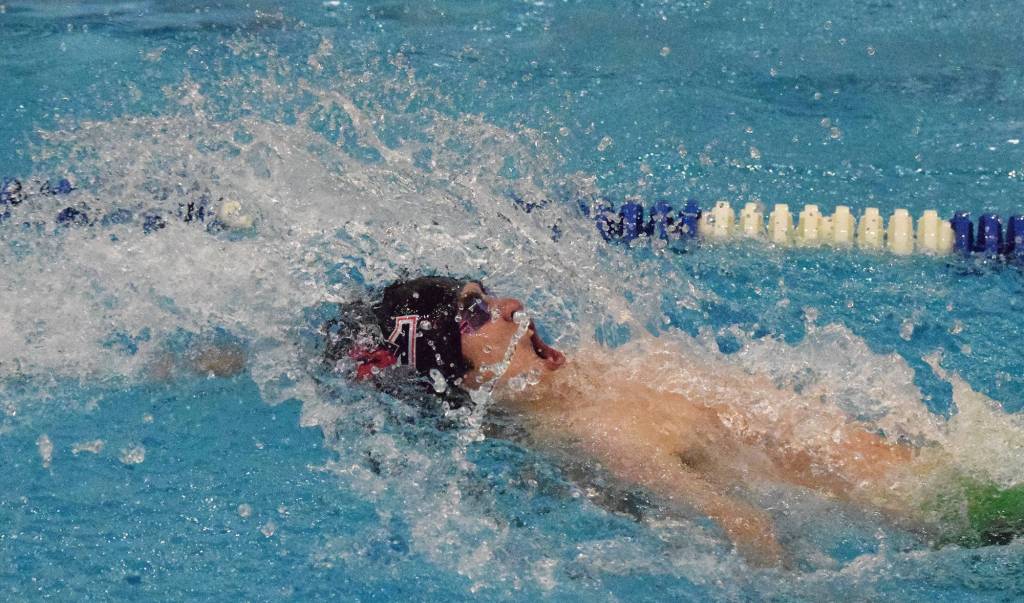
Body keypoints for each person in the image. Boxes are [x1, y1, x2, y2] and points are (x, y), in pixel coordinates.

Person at [321, 275, 1024, 568]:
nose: (508, 305)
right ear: (466, 378)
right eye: (476, 314)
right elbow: (749, 530)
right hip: (963, 515)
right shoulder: (598, 436)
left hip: (961, 465)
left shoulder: (593, 368)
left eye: (486, 290)